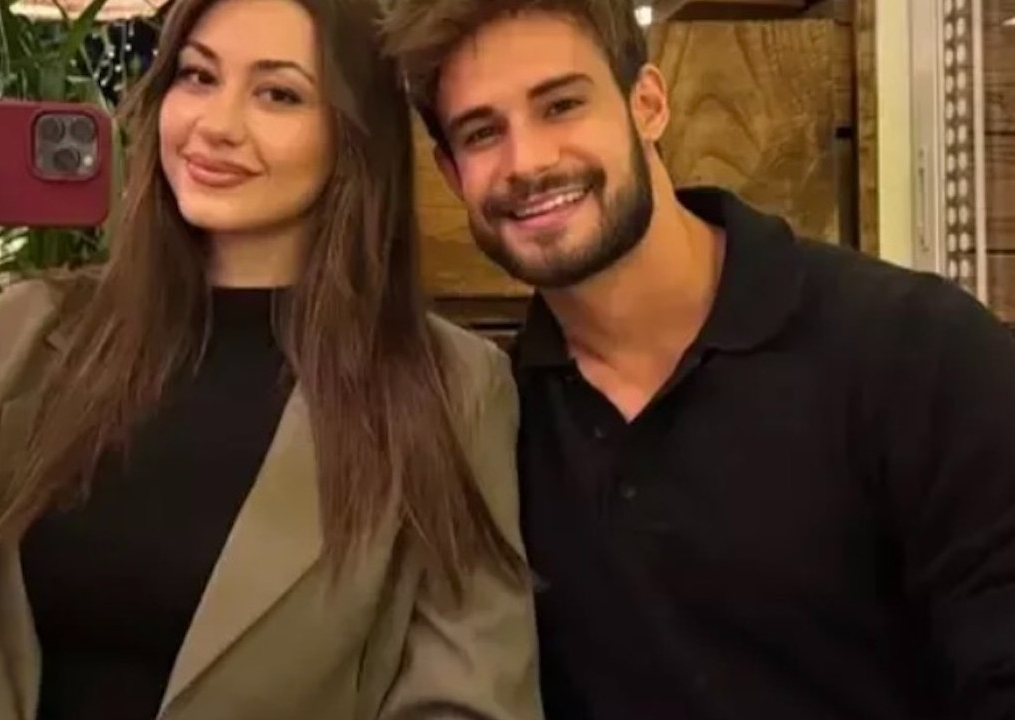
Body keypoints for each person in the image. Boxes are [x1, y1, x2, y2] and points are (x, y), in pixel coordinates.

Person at [0, 0, 546, 718]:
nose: (216, 125)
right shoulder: (35, 332)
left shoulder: (448, 386)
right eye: (198, 76)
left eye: (278, 93)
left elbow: (470, 696)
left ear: (354, 135)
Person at [380, 1, 1015, 719]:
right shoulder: (491, 428)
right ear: (451, 172)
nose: (527, 161)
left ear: (648, 104)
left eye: (561, 105)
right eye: (482, 133)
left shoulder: (918, 350)